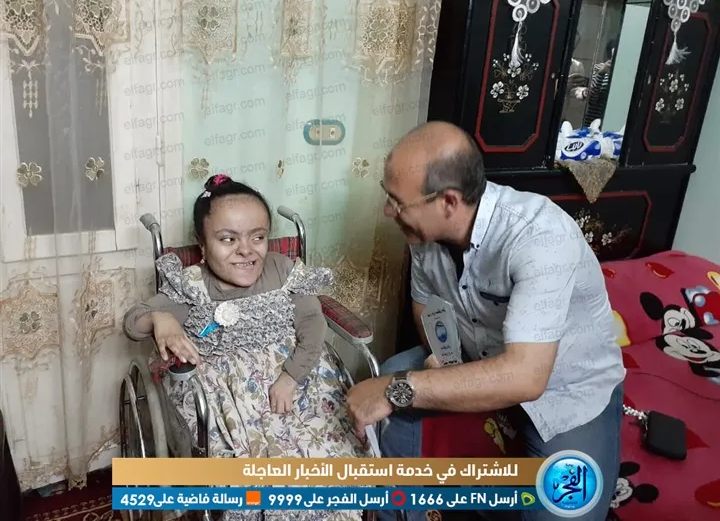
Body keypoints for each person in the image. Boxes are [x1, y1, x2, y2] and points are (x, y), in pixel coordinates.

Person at [346, 122, 626, 521]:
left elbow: (526, 378)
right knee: (393, 371)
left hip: (565, 389)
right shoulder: (425, 234)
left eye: (397, 202)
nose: (388, 211)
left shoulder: (540, 235)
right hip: (475, 355)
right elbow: (427, 309)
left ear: (448, 201)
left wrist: (398, 390)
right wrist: (441, 362)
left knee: (566, 508)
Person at [123, 174, 369, 521]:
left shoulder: (282, 271)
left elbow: (313, 325)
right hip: (226, 399)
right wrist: (159, 318)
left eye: (258, 237)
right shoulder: (191, 284)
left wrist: (291, 377)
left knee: (330, 465)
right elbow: (132, 323)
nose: (246, 250)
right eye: (228, 239)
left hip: (297, 381)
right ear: (203, 244)